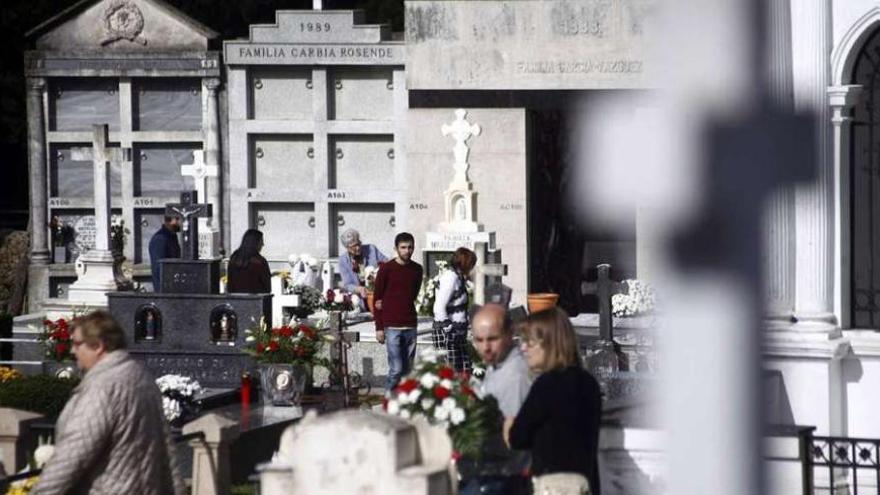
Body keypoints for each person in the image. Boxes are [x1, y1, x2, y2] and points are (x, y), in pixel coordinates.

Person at [32, 311, 183, 495]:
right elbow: (165, 448)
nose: (72, 350)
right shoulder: (141, 378)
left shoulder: (103, 387)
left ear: (98, 346)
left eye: (77, 343)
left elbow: (73, 454)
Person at [506, 307, 602, 495]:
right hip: (584, 484)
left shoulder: (546, 384)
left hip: (552, 485)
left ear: (549, 343)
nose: (523, 348)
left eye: (529, 342)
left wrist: (509, 426)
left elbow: (518, 438)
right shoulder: (589, 383)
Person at [373, 232, 423, 392]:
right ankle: (388, 399)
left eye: (410, 247)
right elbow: (377, 299)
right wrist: (379, 327)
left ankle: (403, 401)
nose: (407, 251)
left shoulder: (417, 269)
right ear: (396, 248)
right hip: (392, 326)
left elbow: (413, 294)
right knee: (396, 369)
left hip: (410, 324)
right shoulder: (387, 269)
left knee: (408, 371)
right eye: (403, 247)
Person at [472, 303, 532, 418]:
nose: (486, 348)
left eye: (493, 339)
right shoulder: (498, 362)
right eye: (479, 340)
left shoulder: (516, 376)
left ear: (510, 333)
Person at [432, 247, 477, 372]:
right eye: (471, 264)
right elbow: (439, 307)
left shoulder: (459, 277)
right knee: (452, 372)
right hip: (449, 334)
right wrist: (449, 329)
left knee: (464, 369)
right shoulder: (450, 278)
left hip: (458, 333)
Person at [338, 228, 387, 297]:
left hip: (377, 293)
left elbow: (386, 263)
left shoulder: (371, 249)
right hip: (359, 298)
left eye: (358, 244)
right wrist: (359, 289)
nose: (358, 248)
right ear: (347, 248)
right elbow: (347, 284)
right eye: (353, 247)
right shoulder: (343, 260)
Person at [226, 229, 272, 293]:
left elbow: (230, 285)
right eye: (261, 241)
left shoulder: (234, 258)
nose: (263, 244)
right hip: (256, 300)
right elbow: (267, 288)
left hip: (236, 299)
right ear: (255, 243)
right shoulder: (260, 261)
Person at [148, 214, 181, 291]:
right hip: (165, 290)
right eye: (180, 219)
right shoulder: (160, 239)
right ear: (173, 220)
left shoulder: (172, 237)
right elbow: (159, 268)